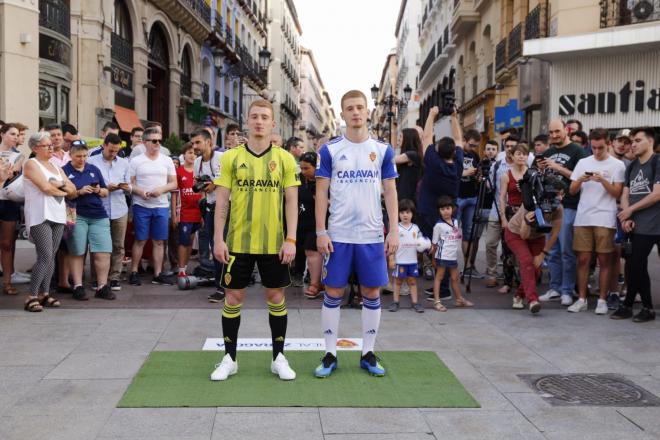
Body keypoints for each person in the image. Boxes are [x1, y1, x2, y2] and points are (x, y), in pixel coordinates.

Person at [210, 99, 299, 381]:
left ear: (273, 123)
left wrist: (291, 239)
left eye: (264, 117)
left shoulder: (285, 159)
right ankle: (229, 358)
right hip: (237, 242)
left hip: (274, 243)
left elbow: (291, 202)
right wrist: (218, 238)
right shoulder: (231, 158)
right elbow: (221, 200)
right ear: (247, 121)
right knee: (233, 297)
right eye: (255, 116)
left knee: (276, 296)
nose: (259, 121)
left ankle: (279, 357)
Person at [314, 90, 398, 378]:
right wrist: (321, 231)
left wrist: (394, 230)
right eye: (349, 108)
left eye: (360, 107)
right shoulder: (329, 150)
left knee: (371, 292)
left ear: (368, 111)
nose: (355, 112)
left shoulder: (383, 150)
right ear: (342, 114)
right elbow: (321, 192)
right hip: (338, 234)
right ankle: (329, 354)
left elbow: (390, 190)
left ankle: (368, 353)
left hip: (372, 235)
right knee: (334, 291)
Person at [566, 128, 625, 314]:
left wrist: (602, 180)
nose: (597, 152)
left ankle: (602, 300)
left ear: (608, 144)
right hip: (584, 216)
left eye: (600, 147)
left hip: (605, 217)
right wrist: (581, 180)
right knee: (583, 259)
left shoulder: (617, 165)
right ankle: (582, 298)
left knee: (604, 259)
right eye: (593, 147)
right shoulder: (583, 162)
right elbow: (572, 190)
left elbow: (617, 193)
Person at [22, 132, 76, 311]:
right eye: (46, 145)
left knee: (51, 255)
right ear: (35, 147)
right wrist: (62, 190)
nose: (51, 147)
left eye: (51, 145)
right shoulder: (31, 163)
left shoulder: (56, 167)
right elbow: (45, 188)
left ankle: (45, 294)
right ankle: (31, 296)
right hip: (40, 215)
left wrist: (58, 186)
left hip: (58, 215)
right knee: (45, 255)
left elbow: (73, 189)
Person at [538, 119, 588, 305]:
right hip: (549, 206)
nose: (554, 135)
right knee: (551, 250)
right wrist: (541, 169)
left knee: (567, 250)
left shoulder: (577, 151)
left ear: (566, 130)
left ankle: (567, 290)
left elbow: (580, 177)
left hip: (569, 205)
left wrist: (557, 167)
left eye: (557, 131)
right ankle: (554, 287)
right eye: (551, 132)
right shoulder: (548, 152)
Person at [417, 106, 464, 300]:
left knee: (433, 248)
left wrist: (431, 115)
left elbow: (426, 137)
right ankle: (443, 286)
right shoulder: (458, 164)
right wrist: (454, 118)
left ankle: (443, 287)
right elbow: (459, 140)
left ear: (437, 150)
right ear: (454, 152)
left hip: (429, 212)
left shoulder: (434, 163)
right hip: (449, 215)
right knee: (443, 249)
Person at [613, 127, 659, 322]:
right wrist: (627, 215)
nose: (633, 144)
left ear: (650, 142)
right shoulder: (631, 166)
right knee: (634, 266)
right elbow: (625, 194)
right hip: (640, 225)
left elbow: (657, 194)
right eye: (632, 140)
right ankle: (640, 307)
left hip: (656, 223)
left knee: (636, 265)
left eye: (638, 140)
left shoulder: (657, 161)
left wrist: (631, 210)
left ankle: (634, 305)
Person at [63, 142, 115, 300]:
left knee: (103, 251)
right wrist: (79, 191)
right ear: (71, 155)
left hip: (98, 214)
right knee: (77, 251)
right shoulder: (64, 170)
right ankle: (78, 286)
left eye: (85, 155)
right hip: (76, 213)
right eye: (78, 156)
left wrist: (99, 190)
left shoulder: (93, 169)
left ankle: (102, 286)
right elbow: (62, 194)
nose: (82, 159)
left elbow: (106, 191)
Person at [127, 127, 177, 285]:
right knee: (140, 240)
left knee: (159, 241)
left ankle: (158, 273)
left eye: (160, 141)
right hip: (141, 205)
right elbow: (129, 183)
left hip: (161, 205)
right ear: (145, 142)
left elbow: (174, 183)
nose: (158, 144)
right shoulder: (136, 161)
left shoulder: (166, 160)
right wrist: (141, 192)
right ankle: (134, 271)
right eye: (154, 141)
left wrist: (161, 189)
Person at [88, 133, 131, 292]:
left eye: (116, 151)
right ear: (104, 146)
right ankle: (95, 278)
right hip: (99, 208)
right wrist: (106, 187)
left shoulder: (124, 163)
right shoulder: (92, 161)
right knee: (97, 245)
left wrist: (127, 188)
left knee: (118, 245)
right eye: (111, 150)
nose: (113, 154)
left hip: (120, 208)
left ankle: (114, 277)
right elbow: (89, 183)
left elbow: (130, 185)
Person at [505, 196, 563, 314]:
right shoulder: (529, 204)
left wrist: (543, 254)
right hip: (516, 233)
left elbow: (555, 234)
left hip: (537, 237)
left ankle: (518, 296)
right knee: (527, 261)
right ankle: (533, 300)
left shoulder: (558, 208)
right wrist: (526, 221)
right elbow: (524, 236)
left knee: (536, 269)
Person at [190, 129, 224, 302]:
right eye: (193, 143)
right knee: (214, 246)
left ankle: (226, 286)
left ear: (209, 142)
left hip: (227, 207)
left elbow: (229, 178)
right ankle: (221, 286)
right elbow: (199, 184)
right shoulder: (197, 162)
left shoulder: (221, 158)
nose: (194, 146)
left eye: (198, 142)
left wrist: (215, 184)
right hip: (210, 207)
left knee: (224, 246)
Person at [484, 136, 519, 288]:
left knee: (512, 246)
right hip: (496, 209)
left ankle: (511, 275)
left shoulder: (521, 165)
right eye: (507, 146)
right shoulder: (498, 165)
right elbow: (489, 186)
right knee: (490, 243)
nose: (510, 149)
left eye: (513, 146)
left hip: (515, 212)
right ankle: (492, 274)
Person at [431, 196, 473, 311]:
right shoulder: (438, 226)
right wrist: (433, 259)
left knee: (455, 278)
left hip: (452, 256)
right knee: (439, 277)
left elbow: (457, 236)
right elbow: (434, 244)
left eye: (448, 208)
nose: (445, 211)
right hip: (442, 256)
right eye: (442, 209)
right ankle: (437, 301)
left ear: (453, 209)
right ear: (439, 211)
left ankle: (459, 299)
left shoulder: (455, 221)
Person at [497, 143, 529, 294]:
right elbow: (502, 198)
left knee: (527, 248)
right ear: (512, 156)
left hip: (528, 214)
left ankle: (525, 280)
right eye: (518, 154)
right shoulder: (506, 175)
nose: (521, 156)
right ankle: (508, 282)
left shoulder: (532, 173)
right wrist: (503, 217)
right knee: (508, 249)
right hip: (511, 212)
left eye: (524, 154)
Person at [0, 123, 26, 294]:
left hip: (9, 202)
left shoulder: (19, 156)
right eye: (12, 134)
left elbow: (10, 177)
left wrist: (4, 175)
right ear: (2, 134)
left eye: (17, 135)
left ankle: (8, 282)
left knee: (7, 243)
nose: (16, 137)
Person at [171, 142, 202, 277]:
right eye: (190, 152)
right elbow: (174, 194)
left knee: (190, 241)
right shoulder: (179, 172)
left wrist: (203, 215)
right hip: (183, 213)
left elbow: (204, 192)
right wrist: (173, 215)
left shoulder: (200, 172)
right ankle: (181, 269)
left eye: (195, 153)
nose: (192, 155)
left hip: (197, 213)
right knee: (183, 242)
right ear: (184, 154)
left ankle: (185, 267)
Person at [388, 199, 424, 313]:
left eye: (408, 212)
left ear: (412, 214)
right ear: (398, 214)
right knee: (397, 282)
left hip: (412, 261)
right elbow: (391, 245)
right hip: (400, 261)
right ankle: (395, 302)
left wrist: (425, 245)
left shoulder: (416, 228)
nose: (405, 215)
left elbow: (421, 243)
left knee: (412, 282)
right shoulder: (395, 228)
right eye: (402, 212)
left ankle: (415, 302)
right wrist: (391, 258)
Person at [297, 152, 324, 299]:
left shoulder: (323, 179)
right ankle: (317, 282)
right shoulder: (300, 179)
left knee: (311, 250)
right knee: (307, 251)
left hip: (320, 222)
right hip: (302, 222)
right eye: (301, 168)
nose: (303, 171)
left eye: (306, 168)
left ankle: (315, 284)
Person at [457, 129, 482, 278]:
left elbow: (477, 174)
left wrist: (478, 177)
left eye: (476, 146)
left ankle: (468, 266)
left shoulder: (475, 155)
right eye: (471, 145)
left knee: (469, 233)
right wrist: (465, 173)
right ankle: (448, 266)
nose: (473, 149)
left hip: (472, 196)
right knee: (451, 232)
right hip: (457, 197)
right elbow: (450, 172)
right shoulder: (456, 153)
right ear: (464, 140)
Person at [394, 128, 422, 202]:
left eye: (401, 137)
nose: (398, 139)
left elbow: (391, 160)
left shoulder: (412, 154)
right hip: (403, 196)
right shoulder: (410, 154)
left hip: (408, 198)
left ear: (407, 139)